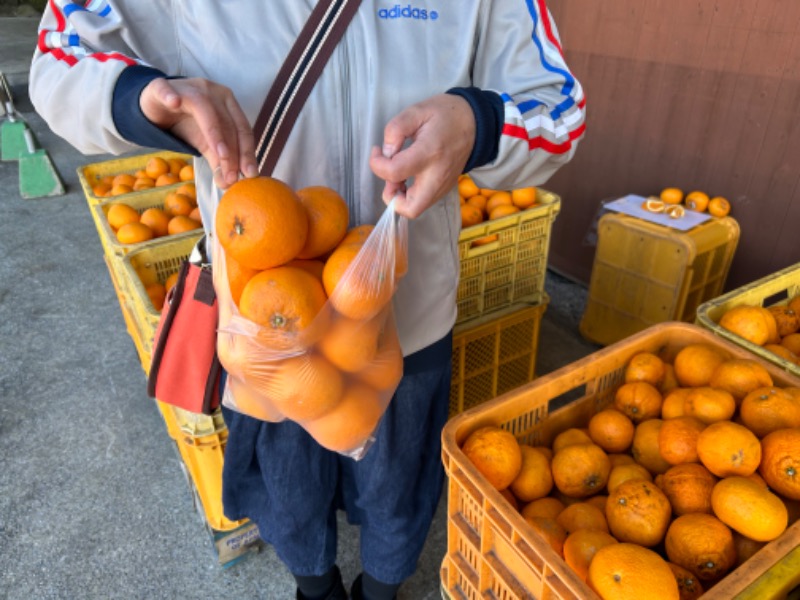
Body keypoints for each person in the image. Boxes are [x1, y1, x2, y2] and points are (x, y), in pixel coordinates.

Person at [30, 2, 585, 599]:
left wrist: (481, 122)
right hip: (266, 318)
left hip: (408, 314)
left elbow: (557, 104)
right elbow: (62, 57)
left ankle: (381, 591)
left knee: (397, 488)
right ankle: (314, 590)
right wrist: (138, 97)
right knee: (288, 490)